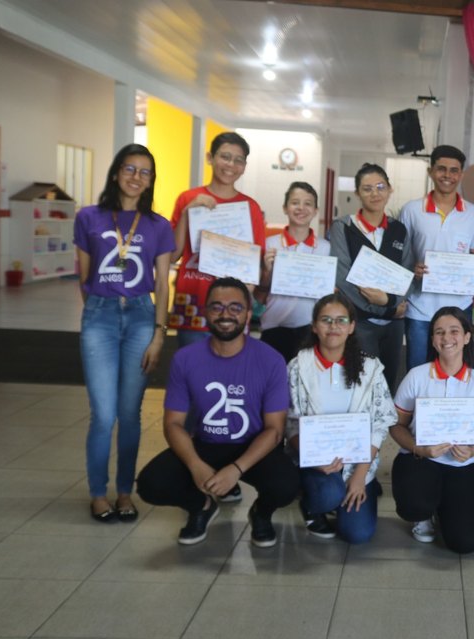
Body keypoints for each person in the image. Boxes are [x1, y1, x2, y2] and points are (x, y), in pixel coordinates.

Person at [136, 277, 298, 547]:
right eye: (217, 307)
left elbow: (274, 430)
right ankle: (200, 505)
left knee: (287, 485)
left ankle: (261, 513)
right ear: (205, 312)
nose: (226, 315)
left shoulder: (270, 360)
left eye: (235, 308)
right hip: (205, 444)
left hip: (252, 446)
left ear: (248, 314)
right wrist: (195, 465)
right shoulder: (185, 359)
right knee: (150, 485)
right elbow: (173, 424)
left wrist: (236, 469)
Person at [74, 144, 175, 523]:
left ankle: (124, 492)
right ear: (116, 172)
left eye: (145, 172)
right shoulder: (89, 217)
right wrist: (97, 310)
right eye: (129, 169)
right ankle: (98, 493)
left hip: (140, 316)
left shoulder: (158, 225)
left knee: (130, 414)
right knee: (103, 414)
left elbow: (162, 285)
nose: (136, 176)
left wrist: (159, 334)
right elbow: (83, 277)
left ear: (151, 180)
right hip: (99, 317)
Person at [286, 293, 397, 543]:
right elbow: (290, 424)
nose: (334, 326)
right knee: (328, 495)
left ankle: (347, 493)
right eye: (326, 320)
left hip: (357, 464)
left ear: (351, 327)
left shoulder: (370, 368)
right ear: (314, 326)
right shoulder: (298, 367)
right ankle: (314, 504)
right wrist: (313, 459)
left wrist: (360, 475)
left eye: (341, 320)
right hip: (316, 462)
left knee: (358, 534)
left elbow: (380, 424)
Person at [390, 307, 474, 553]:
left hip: (460, 464)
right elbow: (396, 425)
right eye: (439, 332)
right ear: (433, 340)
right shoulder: (417, 376)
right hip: (419, 460)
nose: (447, 338)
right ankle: (424, 514)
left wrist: (473, 451)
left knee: (466, 542)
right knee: (415, 504)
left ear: (467, 337)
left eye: (454, 331)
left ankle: (442, 508)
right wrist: (420, 449)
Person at [169, 132, 266, 348]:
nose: (231, 164)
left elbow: (255, 263)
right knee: (192, 370)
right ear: (210, 158)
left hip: (234, 303)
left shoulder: (250, 208)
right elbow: (172, 254)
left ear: (244, 166)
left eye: (238, 160)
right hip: (194, 297)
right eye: (225, 156)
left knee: (231, 375)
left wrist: (245, 298)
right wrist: (186, 213)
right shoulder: (187, 199)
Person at [399, 145, 474, 372]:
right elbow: (400, 256)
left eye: (453, 170)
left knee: (455, 371)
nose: (447, 176)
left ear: (461, 174)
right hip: (420, 307)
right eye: (441, 169)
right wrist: (412, 268)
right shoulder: (411, 210)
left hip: (460, 307)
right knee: (417, 371)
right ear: (431, 172)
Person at [329, 163, 409, 392]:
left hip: (394, 324)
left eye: (380, 187)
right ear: (357, 193)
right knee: (360, 385)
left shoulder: (399, 230)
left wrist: (390, 303)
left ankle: (384, 430)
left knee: (389, 385)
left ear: (390, 190)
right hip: (360, 321)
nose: (375, 193)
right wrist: (385, 307)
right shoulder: (343, 227)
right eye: (367, 189)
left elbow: (407, 274)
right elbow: (343, 277)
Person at [256, 181, 331, 362]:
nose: (301, 208)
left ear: (315, 210)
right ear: (285, 208)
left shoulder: (325, 247)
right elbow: (259, 292)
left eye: (308, 203)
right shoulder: (270, 244)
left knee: (303, 384)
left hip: (310, 327)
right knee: (273, 381)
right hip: (274, 325)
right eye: (295, 202)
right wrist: (266, 271)